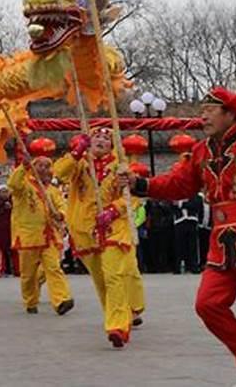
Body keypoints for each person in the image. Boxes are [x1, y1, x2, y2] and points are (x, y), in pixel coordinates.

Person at [120, 87, 236, 387]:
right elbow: (179, 184)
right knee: (207, 304)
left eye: (210, 109)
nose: (203, 115)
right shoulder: (200, 151)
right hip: (222, 243)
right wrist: (141, 184)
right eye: (202, 109)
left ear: (230, 114)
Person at [53, 127, 145, 349]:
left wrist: (114, 210)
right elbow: (58, 174)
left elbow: (133, 198)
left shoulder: (122, 167)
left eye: (107, 138)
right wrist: (76, 152)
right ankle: (117, 317)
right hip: (85, 230)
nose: (101, 140)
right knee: (101, 280)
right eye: (97, 136)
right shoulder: (80, 164)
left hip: (114, 228)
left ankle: (118, 327)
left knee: (114, 275)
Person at [8, 156, 74, 315]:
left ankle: (61, 300)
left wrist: (61, 214)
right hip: (28, 236)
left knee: (54, 268)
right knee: (28, 274)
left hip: (49, 236)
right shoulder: (24, 185)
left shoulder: (52, 190)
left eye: (47, 166)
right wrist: (22, 167)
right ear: (33, 167)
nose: (44, 169)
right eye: (40, 165)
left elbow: (62, 205)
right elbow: (13, 185)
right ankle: (30, 301)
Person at [174, 194, 203, 274]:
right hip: (179, 222)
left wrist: (181, 204)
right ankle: (178, 266)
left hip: (191, 221)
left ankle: (194, 266)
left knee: (193, 245)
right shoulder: (175, 195)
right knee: (179, 246)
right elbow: (172, 206)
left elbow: (196, 206)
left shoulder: (196, 196)